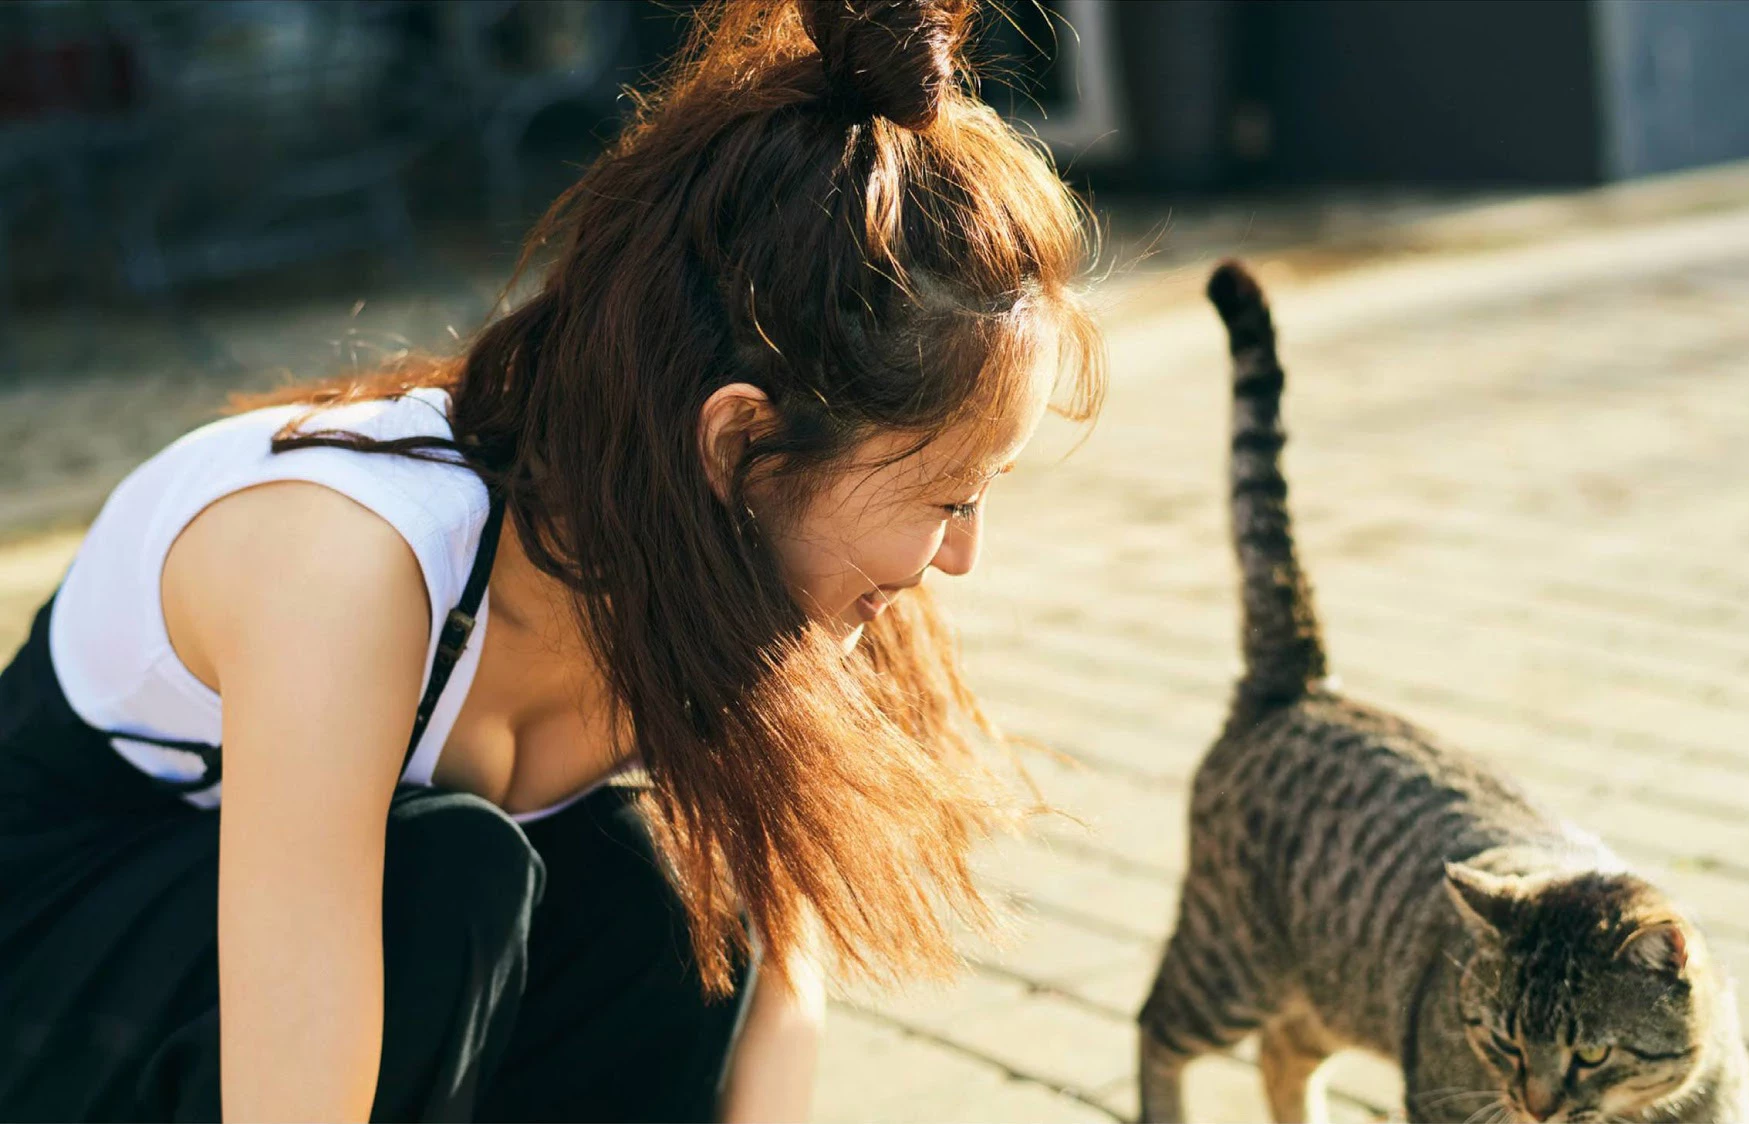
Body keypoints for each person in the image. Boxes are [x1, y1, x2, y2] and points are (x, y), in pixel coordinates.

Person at [0, 0, 1104, 1119]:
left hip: (334, 958)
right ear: (739, 442)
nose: (961, 554)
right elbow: (296, 1083)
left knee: (675, 898)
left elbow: (779, 990)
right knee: (453, 881)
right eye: (948, 495)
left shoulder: (784, 565)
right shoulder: (348, 566)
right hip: (55, 975)